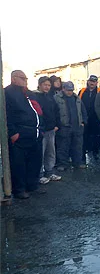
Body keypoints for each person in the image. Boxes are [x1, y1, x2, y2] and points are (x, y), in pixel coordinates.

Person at [5, 70, 43, 199]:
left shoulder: (29, 93)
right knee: (18, 164)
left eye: (26, 78)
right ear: (14, 78)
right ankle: (19, 189)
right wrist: (13, 133)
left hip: (35, 133)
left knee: (34, 162)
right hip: (20, 133)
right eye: (22, 78)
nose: (25, 80)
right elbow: (6, 115)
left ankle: (32, 185)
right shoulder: (7, 93)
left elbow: (37, 111)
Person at [34, 76, 62, 184]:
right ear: (40, 85)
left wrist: (57, 124)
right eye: (45, 85)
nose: (47, 87)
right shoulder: (35, 97)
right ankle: (40, 174)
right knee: (41, 152)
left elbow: (56, 111)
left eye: (49, 85)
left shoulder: (50, 97)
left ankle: (50, 172)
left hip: (51, 129)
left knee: (51, 152)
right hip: (42, 130)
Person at [54, 81, 88, 171]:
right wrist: (57, 125)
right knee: (63, 147)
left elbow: (83, 110)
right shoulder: (57, 98)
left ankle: (77, 163)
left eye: (71, 90)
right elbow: (53, 112)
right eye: (68, 90)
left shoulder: (77, 98)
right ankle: (62, 164)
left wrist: (83, 122)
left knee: (78, 146)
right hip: (64, 127)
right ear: (63, 89)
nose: (70, 92)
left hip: (77, 126)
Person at [78, 75, 100, 161]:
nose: (92, 83)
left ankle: (95, 152)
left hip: (96, 118)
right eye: (91, 81)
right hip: (84, 118)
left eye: (94, 81)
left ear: (96, 83)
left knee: (96, 136)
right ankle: (83, 154)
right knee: (84, 136)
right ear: (88, 81)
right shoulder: (82, 91)